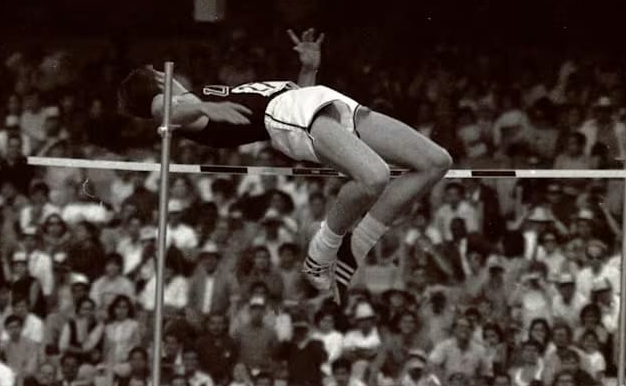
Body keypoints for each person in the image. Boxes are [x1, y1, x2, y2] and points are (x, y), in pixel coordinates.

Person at [118, 29, 452, 304]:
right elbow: (166, 113)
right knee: (374, 177)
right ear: (159, 81)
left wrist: (308, 70)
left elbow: (302, 114)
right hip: (288, 116)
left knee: (435, 162)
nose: (169, 75)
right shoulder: (177, 104)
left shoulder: (196, 96)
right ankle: (321, 255)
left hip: (314, 104)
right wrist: (206, 107)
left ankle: (355, 246)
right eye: (160, 74)